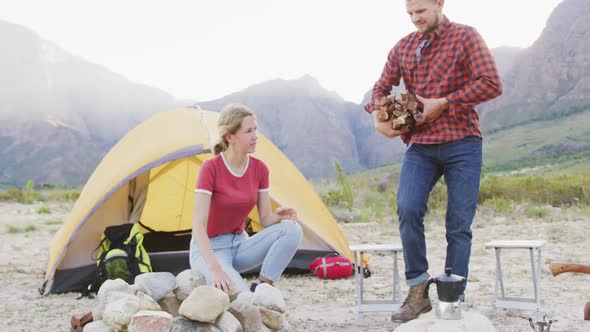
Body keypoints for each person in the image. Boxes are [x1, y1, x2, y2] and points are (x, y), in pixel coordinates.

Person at [364, 0, 502, 322]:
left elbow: (491, 82)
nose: (415, 18)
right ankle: (417, 290)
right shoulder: (403, 47)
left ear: (440, 3)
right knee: (408, 207)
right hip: (421, 144)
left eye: (421, 11)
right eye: (410, 13)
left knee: (458, 225)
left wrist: (445, 102)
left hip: (463, 142)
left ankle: (451, 300)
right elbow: (380, 87)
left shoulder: (466, 37)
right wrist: (377, 116)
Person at [190, 103, 303, 295]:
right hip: (210, 250)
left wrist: (278, 216)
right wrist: (215, 270)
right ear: (229, 136)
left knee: (292, 230)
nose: (255, 136)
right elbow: (198, 227)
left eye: (255, 129)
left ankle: (262, 285)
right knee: (244, 302)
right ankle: (242, 290)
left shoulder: (260, 169)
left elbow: (265, 219)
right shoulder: (211, 168)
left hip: (240, 245)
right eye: (248, 131)